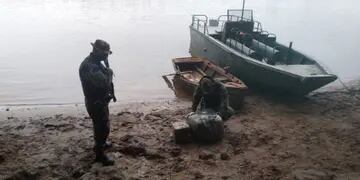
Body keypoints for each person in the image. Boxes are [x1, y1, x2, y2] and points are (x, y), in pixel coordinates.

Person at [79, 39, 116, 166]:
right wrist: (110, 72)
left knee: (103, 125)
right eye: (105, 54)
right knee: (101, 128)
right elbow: (104, 83)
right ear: (96, 51)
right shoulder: (90, 66)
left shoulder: (96, 62)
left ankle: (102, 144)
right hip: (95, 102)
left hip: (100, 101)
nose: (107, 56)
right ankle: (100, 155)